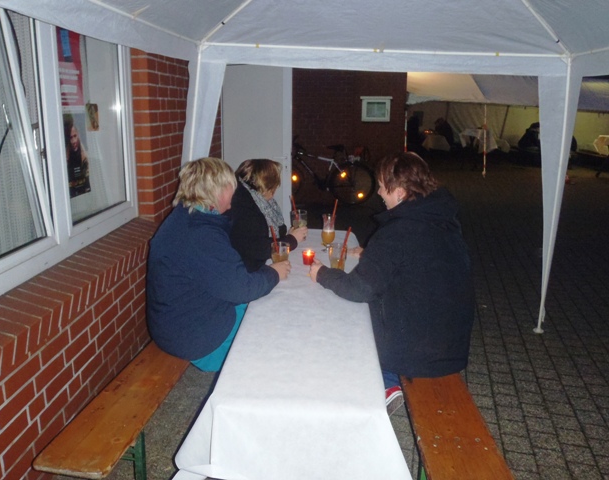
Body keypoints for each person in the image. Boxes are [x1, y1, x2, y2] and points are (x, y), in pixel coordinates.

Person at [309, 151, 474, 415]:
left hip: (420, 354)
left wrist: (322, 274)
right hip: (451, 343)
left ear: (399, 192)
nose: (379, 194)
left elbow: (359, 288)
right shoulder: (442, 219)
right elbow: (419, 260)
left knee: (353, 319)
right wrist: (371, 254)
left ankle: (386, 383)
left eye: (382, 187)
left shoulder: (397, 231)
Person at [147, 157, 291, 372]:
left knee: (267, 305)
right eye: (231, 187)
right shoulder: (200, 234)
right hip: (193, 337)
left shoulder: (188, 216)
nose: (235, 194)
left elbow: (226, 275)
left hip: (179, 322)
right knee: (273, 330)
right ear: (218, 191)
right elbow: (242, 289)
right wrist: (274, 273)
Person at [226, 159, 308, 272]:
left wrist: (288, 238)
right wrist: (291, 240)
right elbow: (257, 248)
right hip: (246, 269)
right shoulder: (243, 206)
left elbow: (278, 232)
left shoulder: (255, 199)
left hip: (253, 263)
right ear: (266, 184)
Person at [64, 117, 91, 197]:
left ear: (78, 135)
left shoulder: (84, 156)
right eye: (70, 137)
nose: (73, 141)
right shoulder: (65, 158)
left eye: (75, 136)